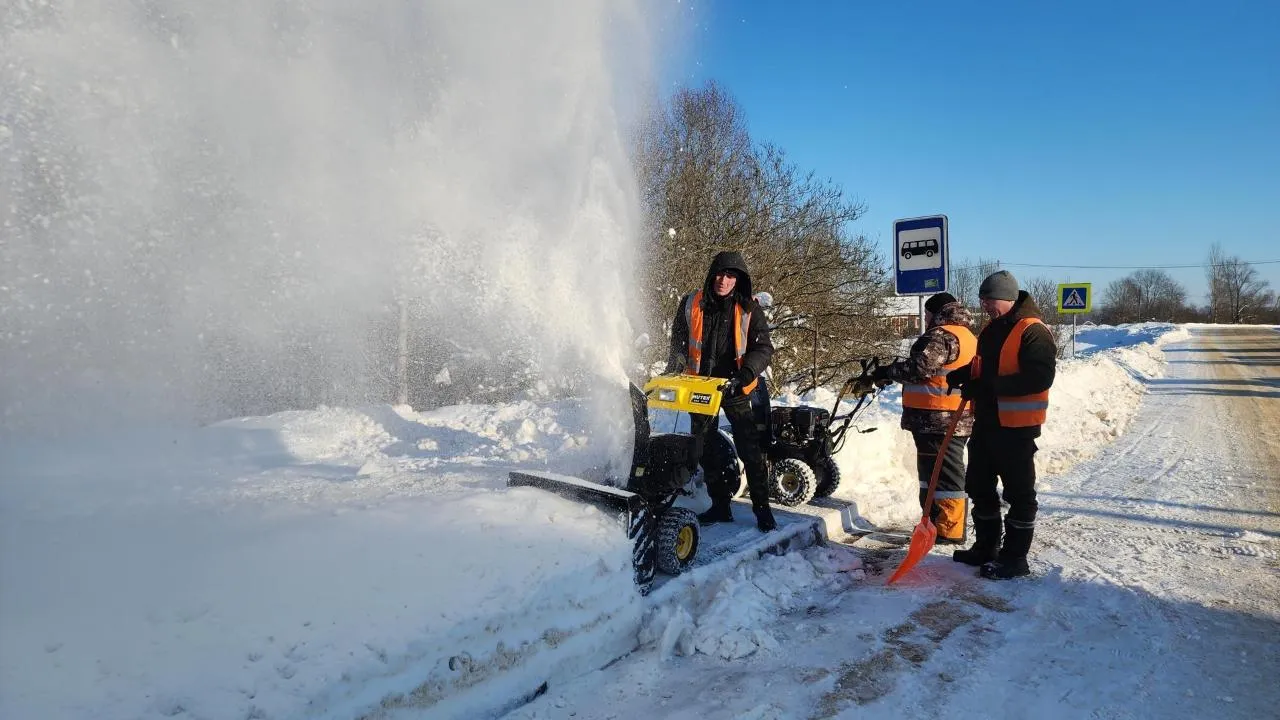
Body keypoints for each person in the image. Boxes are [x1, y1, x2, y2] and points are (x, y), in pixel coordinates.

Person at [945, 270, 1056, 579]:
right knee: (978, 486)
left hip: (1017, 429)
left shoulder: (1033, 331)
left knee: (1019, 494)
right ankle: (986, 546)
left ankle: (1014, 558)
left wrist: (989, 387)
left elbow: (1039, 377)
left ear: (1007, 298)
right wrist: (965, 375)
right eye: (982, 300)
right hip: (987, 424)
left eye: (988, 300)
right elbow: (985, 368)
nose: (984, 306)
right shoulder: (993, 330)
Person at [666, 250, 777, 532]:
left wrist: (745, 374)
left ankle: (763, 510)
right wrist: (675, 365)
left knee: (749, 449)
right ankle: (720, 505)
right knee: (705, 447)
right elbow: (679, 340)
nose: (723, 280)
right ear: (711, 274)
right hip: (700, 386)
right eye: (719, 273)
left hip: (735, 386)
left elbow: (763, 349)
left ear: (738, 279)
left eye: (730, 275)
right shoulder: (692, 303)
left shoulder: (749, 309)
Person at [869, 292, 977, 545]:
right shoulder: (967, 335)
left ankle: (948, 530)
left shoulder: (941, 335)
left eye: (927, 314)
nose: (926, 318)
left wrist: (886, 371)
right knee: (937, 474)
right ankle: (935, 523)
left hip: (937, 418)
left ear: (935, 312)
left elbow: (919, 368)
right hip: (953, 416)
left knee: (943, 475)